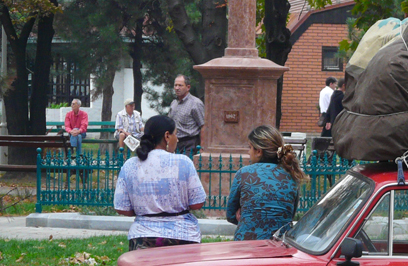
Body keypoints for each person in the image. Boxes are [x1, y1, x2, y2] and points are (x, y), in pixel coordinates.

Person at [113, 115, 207, 252]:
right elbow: (198, 203)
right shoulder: (183, 162)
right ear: (167, 136)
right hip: (183, 236)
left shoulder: (130, 165)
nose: (177, 139)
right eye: (176, 134)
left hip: (143, 237)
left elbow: (121, 207)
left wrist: (145, 211)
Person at [226, 125, 305, 241]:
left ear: (259, 151)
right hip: (279, 244)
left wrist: (246, 216)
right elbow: (289, 214)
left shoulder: (244, 174)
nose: (248, 152)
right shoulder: (292, 175)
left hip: (246, 243)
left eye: (250, 147)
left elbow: (231, 215)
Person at [169, 74, 204, 154]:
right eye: (175, 85)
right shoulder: (174, 103)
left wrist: (202, 147)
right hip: (175, 144)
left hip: (190, 144)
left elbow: (203, 126)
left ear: (188, 87)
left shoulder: (195, 103)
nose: (177, 88)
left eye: (180, 85)